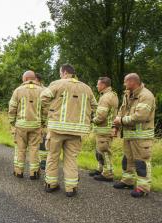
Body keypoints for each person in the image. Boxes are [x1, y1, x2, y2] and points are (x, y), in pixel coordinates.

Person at [40, 64, 97, 197]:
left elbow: (43, 98)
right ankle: (71, 188)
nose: (60, 75)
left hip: (57, 129)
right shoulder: (86, 88)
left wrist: (53, 109)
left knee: (52, 157)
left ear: (64, 72)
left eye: (60, 72)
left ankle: (51, 184)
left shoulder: (57, 84)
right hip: (76, 131)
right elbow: (94, 105)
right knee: (71, 159)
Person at [112, 73, 155, 198]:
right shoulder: (128, 94)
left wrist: (121, 121)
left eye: (126, 82)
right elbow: (121, 111)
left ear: (132, 82)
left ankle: (143, 188)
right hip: (129, 135)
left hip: (142, 137)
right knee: (127, 160)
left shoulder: (146, 95)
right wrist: (116, 127)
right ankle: (127, 181)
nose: (124, 84)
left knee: (141, 162)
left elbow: (141, 116)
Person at [8, 71, 45, 180]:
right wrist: (42, 122)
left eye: (22, 78)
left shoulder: (18, 90)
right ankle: (34, 173)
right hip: (36, 125)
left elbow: (12, 108)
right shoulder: (42, 91)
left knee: (20, 149)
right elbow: (46, 110)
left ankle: (19, 172)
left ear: (26, 79)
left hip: (20, 126)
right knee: (34, 149)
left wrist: (12, 123)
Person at [90, 77, 119, 182]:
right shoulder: (111, 95)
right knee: (100, 150)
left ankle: (108, 174)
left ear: (103, 85)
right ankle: (100, 169)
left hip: (104, 130)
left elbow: (101, 116)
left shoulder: (106, 97)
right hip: (104, 130)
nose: (97, 86)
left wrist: (92, 119)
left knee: (104, 151)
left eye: (98, 84)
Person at [36, 73, 48, 170]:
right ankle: (39, 160)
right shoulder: (46, 89)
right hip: (39, 120)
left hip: (42, 120)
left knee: (42, 141)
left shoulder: (44, 90)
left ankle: (43, 161)